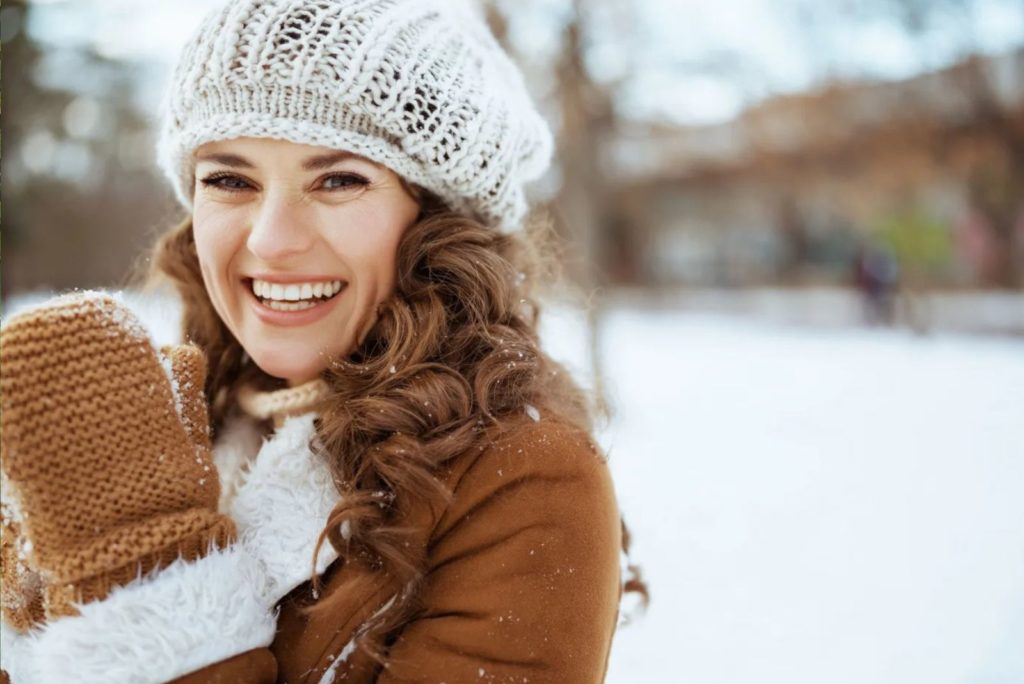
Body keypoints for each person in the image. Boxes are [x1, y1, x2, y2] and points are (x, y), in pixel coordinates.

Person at [0, 1, 644, 682]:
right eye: (229, 180)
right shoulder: (188, 423)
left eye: (339, 180)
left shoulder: (526, 478)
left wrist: (138, 582)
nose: (272, 239)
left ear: (438, 218)